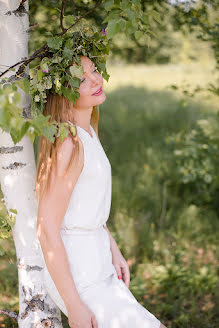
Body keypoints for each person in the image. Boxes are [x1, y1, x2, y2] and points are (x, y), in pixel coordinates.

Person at [36, 55, 167, 328]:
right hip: (80, 275)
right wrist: (73, 305)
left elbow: (85, 206)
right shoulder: (68, 144)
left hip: (99, 263)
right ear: (63, 92)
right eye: (82, 79)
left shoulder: (88, 133)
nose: (96, 79)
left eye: (94, 70)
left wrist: (113, 250)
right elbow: (47, 228)